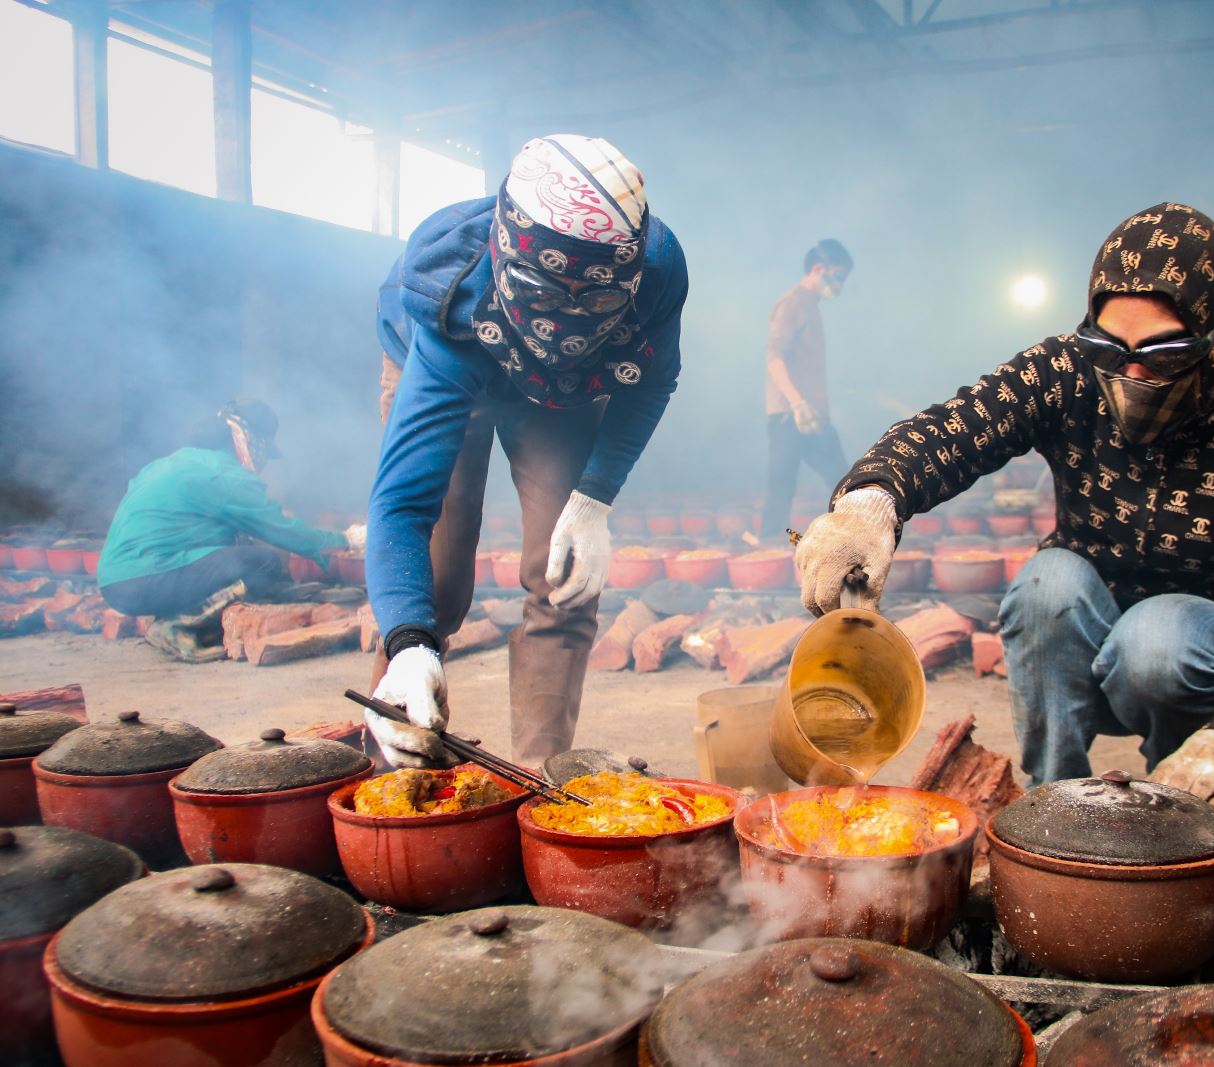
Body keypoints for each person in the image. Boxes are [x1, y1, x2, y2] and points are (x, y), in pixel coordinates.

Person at [797, 204, 1214, 814]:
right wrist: (871, 500)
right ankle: (1056, 808)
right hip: (1084, 643)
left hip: (1212, 654)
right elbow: (956, 428)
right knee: (1046, 584)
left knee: (1158, 635)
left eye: (1162, 353)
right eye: (1110, 346)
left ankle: (1186, 814)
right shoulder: (1070, 371)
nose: (1131, 372)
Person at [365, 134, 688, 769]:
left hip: (564, 393)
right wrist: (409, 641)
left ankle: (539, 779)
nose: (567, 326)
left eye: (597, 302)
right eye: (546, 300)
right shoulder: (449, 293)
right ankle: (394, 754)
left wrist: (594, 500)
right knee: (437, 579)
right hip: (460, 355)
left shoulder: (654, 274)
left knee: (565, 575)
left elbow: (652, 383)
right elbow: (402, 504)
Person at [97, 399, 359, 660]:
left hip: (114, 583)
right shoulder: (223, 475)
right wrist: (347, 540)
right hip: (145, 579)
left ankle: (172, 619)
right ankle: (177, 625)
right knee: (262, 563)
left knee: (236, 552)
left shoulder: (175, 463)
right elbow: (283, 532)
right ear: (252, 440)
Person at [760, 240, 854, 539]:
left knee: (843, 480)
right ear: (818, 269)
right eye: (838, 276)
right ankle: (768, 549)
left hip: (812, 417)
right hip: (790, 415)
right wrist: (797, 403)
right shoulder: (792, 303)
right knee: (781, 489)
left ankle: (852, 538)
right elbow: (774, 358)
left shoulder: (811, 306)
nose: (840, 285)